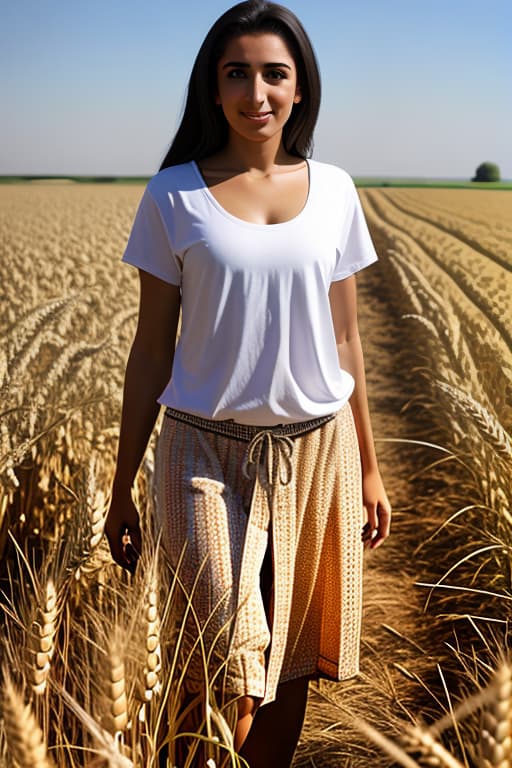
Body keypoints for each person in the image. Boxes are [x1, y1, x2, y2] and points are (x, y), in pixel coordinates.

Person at [105, 1, 391, 765]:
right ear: (213, 87)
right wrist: (121, 482)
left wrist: (367, 466)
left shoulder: (335, 191)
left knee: (289, 659)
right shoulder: (173, 195)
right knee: (227, 660)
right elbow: (149, 351)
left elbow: (345, 340)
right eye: (237, 73)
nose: (256, 91)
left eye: (274, 73)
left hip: (314, 453)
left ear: (300, 90)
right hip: (201, 452)